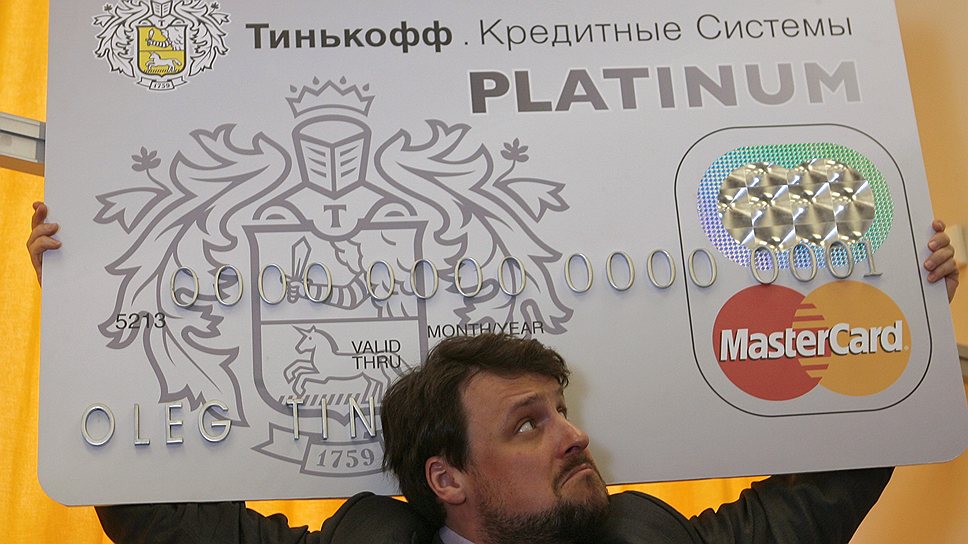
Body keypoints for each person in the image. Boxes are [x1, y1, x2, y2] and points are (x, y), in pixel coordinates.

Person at [27, 202, 961, 543]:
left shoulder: (645, 535)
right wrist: (83, 315)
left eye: (559, 410)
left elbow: (825, 493)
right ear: (447, 479)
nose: (575, 435)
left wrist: (899, 318)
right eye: (528, 424)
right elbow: (157, 514)